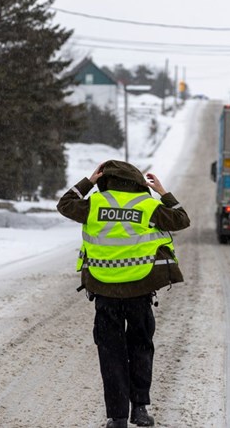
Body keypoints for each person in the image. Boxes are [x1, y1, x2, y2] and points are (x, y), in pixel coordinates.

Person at [59, 161, 189, 428]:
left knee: (111, 354)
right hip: (139, 290)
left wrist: (88, 182)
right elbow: (182, 220)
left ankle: (117, 417)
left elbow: (65, 204)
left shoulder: (94, 204)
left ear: (106, 180)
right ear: (138, 182)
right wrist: (163, 192)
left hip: (104, 291)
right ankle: (139, 409)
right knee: (141, 348)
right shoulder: (148, 206)